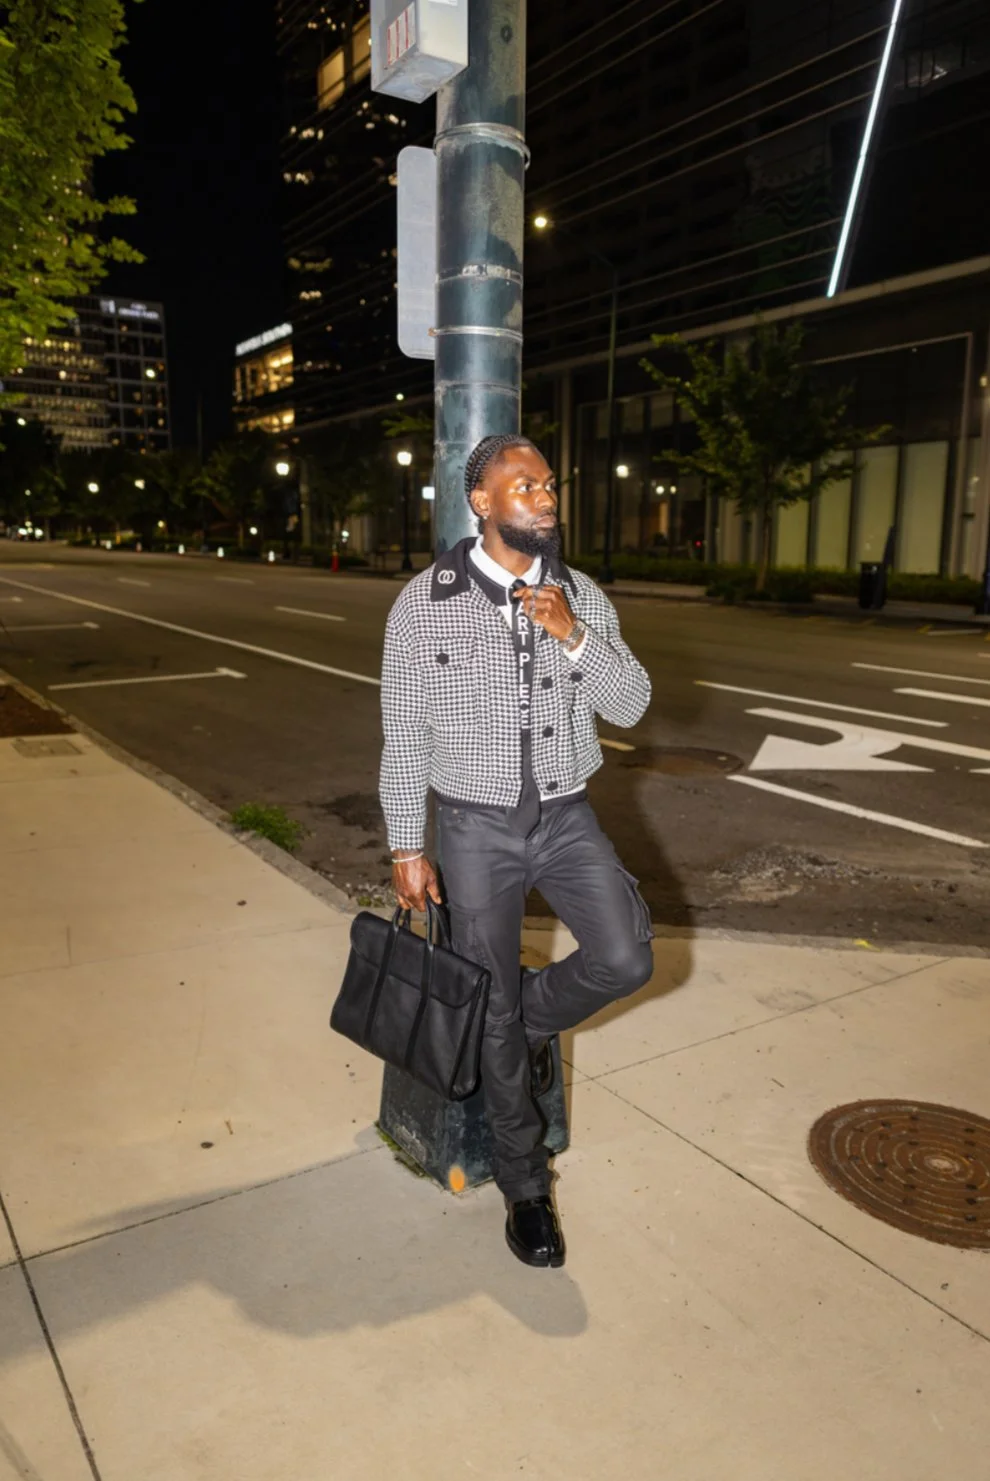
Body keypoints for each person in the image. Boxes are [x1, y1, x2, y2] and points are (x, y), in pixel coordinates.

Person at [380, 434, 653, 1269]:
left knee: (625, 956)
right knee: (488, 1006)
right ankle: (526, 1188)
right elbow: (404, 733)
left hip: (565, 815)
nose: (545, 495)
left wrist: (575, 636)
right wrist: (404, 841)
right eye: (523, 484)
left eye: (548, 483)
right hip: (472, 827)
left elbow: (634, 704)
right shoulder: (424, 602)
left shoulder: (580, 595)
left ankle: (524, 1017)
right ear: (483, 504)